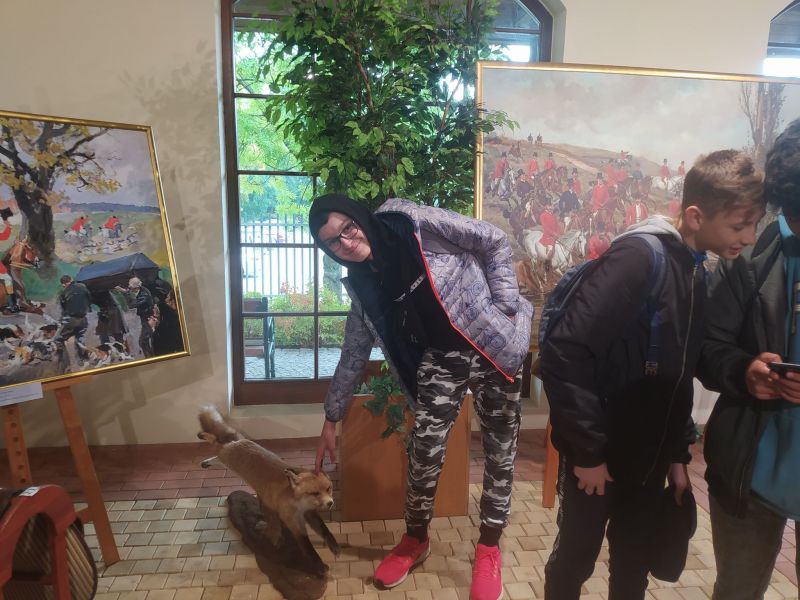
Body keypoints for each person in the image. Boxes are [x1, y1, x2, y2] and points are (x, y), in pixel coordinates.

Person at [541, 149, 765, 600]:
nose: (750, 237)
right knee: (575, 561)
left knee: (633, 568)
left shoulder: (695, 268)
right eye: (740, 225)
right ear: (697, 216)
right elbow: (565, 349)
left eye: (753, 224)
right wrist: (588, 453)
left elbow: (676, 372)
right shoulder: (638, 258)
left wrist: (678, 455)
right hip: (599, 457)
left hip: (650, 461)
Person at [309, 194, 532, 600]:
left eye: (348, 228)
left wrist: (504, 307)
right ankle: (415, 539)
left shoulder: (410, 223)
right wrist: (331, 415)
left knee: (500, 452)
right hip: (441, 359)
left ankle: (488, 547)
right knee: (423, 450)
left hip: (492, 348)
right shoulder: (364, 286)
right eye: (332, 242)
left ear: (359, 218)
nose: (346, 242)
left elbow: (494, 239)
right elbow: (353, 354)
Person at [696, 119, 800, 599]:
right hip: (748, 466)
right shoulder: (750, 255)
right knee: (737, 591)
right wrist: (745, 371)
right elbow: (707, 345)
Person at [54, 274, 92, 370]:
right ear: (71, 280)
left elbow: (63, 309)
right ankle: (85, 359)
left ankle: (65, 364)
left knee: (58, 339)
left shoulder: (64, 293)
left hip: (70, 319)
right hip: (83, 319)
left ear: (64, 284)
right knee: (80, 338)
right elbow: (89, 300)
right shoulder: (83, 287)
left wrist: (61, 321)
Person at [115, 277, 156, 357]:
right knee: (145, 341)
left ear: (136, 287)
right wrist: (125, 291)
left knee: (144, 341)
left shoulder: (144, 295)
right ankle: (151, 356)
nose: (130, 289)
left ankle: (151, 357)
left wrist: (125, 293)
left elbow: (131, 305)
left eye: (131, 288)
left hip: (149, 319)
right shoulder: (142, 290)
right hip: (146, 319)